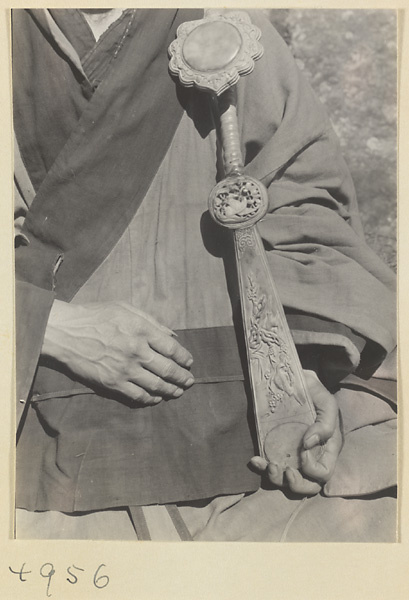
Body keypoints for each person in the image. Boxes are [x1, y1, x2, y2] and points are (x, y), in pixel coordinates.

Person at [13, 8, 397, 541]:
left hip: (237, 420)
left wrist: (294, 371)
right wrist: (47, 325)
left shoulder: (223, 28)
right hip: (36, 420)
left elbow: (300, 207)